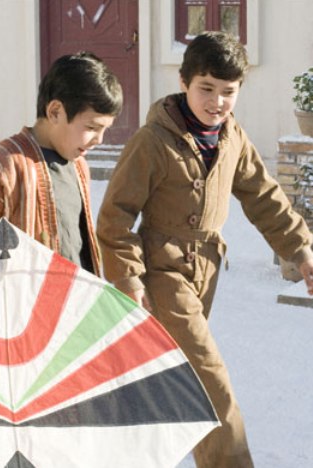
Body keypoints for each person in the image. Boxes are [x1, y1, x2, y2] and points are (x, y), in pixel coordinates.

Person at [96, 31, 313, 468]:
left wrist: (302, 251)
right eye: (206, 89)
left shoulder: (232, 138)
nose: (217, 102)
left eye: (228, 92)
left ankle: (117, 448)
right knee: (210, 377)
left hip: (206, 270)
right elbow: (115, 216)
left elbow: (264, 197)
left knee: (176, 375)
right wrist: (128, 277)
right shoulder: (152, 141)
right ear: (184, 82)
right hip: (162, 272)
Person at [0, 51, 123, 276]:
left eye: (105, 129)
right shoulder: (4, 163)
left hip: (73, 293)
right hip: (27, 295)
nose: (99, 139)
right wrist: (6, 259)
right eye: (92, 128)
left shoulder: (79, 166)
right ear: (55, 112)